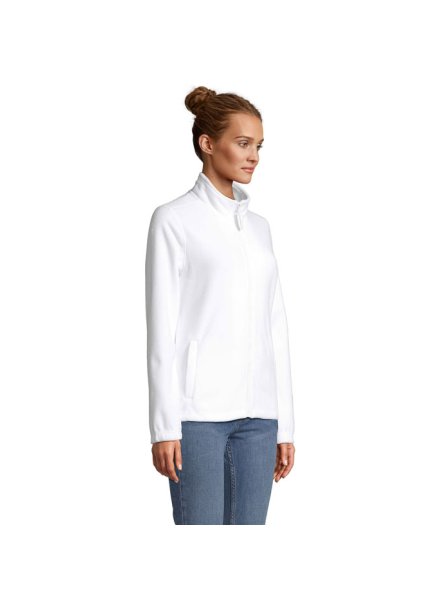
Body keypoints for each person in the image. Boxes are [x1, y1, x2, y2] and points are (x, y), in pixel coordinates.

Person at [145, 85, 296, 525]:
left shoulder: (260, 228)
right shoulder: (173, 219)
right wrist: (163, 427)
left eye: (259, 146)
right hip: (197, 418)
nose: (254, 156)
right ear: (207, 144)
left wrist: (284, 424)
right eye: (243, 143)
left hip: (260, 418)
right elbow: (161, 328)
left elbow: (276, 327)